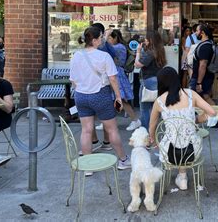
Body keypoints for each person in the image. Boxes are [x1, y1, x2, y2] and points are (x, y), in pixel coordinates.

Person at [70, 26, 131, 172]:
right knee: (112, 130)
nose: (103, 39)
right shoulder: (104, 57)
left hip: (81, 96)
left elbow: (73, 80)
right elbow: (113, 79)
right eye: (101, 37)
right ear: (96, 40)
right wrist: (118, 97)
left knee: (86, 130)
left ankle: (87, 166)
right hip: (100, 95)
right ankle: (123, 160)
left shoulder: (76, 55)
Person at [149, 67, 217, 190]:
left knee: (175, 140)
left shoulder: (159, 101)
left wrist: (153, 141)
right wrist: (195, 120)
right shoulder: (191, 94)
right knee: (184, 139)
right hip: (193, 151)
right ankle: (182, 177)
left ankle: (182, 177)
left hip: (169, 152)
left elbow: (152, 126)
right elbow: (212, 112)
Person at [106, 29, 141, 131]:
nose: (107, 40)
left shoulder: (119, 47)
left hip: (117, 74)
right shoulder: (116, 46)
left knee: (121, 99)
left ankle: (135, 120)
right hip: (112, 74)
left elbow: (106, 49)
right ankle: (107, 122)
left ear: (115, 38)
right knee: (110, 99)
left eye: (109, 38)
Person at [134, 30, 166, 131]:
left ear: (151, 40)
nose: (145, 41)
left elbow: (137, 64)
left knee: (144, 108)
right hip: (158, 80)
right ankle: (155, 130)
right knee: (155, 107)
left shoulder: (150, 52)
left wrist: (138, 51)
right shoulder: (160, 50)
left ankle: (145, 131)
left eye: (147, 39)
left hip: (149, 81)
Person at [189, 24, 216, 106]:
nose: (195, 33)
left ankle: (215, 115)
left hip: (202, 78)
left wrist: (198, 83)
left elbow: (203, 65)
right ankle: (213, 115)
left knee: (203, 97)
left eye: (197, 31)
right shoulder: (206, 44)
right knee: (203, 97)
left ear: (202, 32)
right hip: (203, 77)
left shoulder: (205, 47)